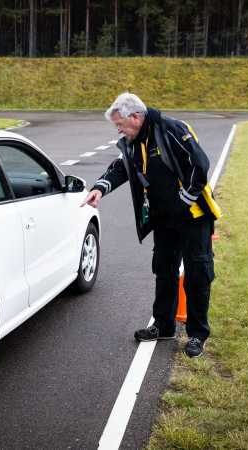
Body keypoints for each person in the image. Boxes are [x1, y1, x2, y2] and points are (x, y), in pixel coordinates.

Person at [81, 93, 221, 358]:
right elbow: (123, 168)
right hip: (164, 219)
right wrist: (100, 188)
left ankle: (197, 334)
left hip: (193, 217)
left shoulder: (171, 130)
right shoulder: (134, 142)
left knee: (197, 274)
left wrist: (184, 201)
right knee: (164, 271)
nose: (118, 130)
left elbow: (199, 165)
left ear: (136, 117)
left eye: (120, 124)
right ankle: (164, 325)